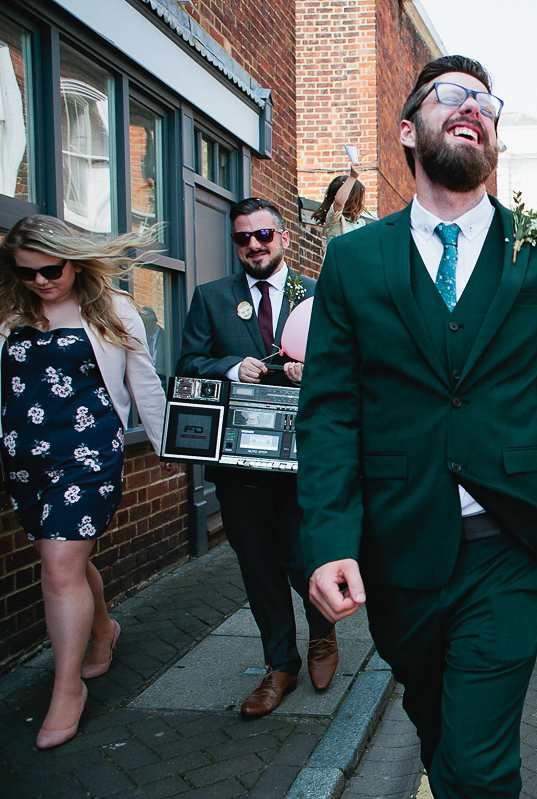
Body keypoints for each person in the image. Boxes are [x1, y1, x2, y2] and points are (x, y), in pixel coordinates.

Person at [298, 55, 537, 799]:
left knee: (478, 763)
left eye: (486, 101)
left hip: (507, 544)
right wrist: (327, 542)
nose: (473, 106)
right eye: (452, 96)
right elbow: (329, 413)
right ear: (409, 130)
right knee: (438, 729)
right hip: (398, 544)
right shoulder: (352, 260)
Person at [0, 215, 172, 749]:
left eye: (51, 269)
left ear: (73, 259)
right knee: (66, 564)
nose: (42, 282)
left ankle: (66, 686)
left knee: (58, 567)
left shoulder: (113, 309)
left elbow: (142, 381)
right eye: (27, 273)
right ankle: (103, 630)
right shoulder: (9, 314)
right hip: (26, 460)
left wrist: (170, 445)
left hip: (89, 457)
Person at [177, 198, 337, 717]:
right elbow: (188, 364)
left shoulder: (319, 295)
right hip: (239, 464)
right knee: (258, 565)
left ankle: (322, 635)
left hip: (301, 462)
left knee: (302, 558)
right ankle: (280, 665)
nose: (254, 246)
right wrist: (228, 367)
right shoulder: (210, 298)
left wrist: (308, 372)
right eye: (243, 238)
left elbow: (349, 370)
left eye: (263, 235)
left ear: (284, 237)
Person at [313, 162, 374, 245]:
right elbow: (338, 202)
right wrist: (352, 177)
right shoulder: (335, 220)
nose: (359, 203)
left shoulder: (360, 223)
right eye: (356, 200)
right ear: (351, 200)